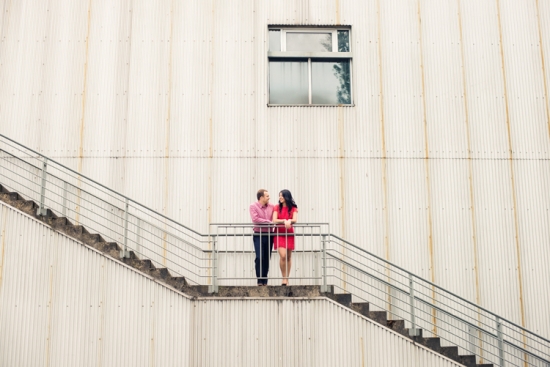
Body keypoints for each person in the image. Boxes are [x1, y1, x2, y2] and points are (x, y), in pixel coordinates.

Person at [272, 189, 298, 286]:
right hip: (279, 233)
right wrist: (284, 221)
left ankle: (287, 278)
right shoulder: (276, 207)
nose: (280, 197)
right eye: (279, 196)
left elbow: (295, 219)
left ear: (287, 196)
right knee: (283, 256)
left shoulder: (293, 208)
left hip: (289, 233)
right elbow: (274, 220)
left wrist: (290, 221)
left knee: (288, 257)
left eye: (282, 196)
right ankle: (283, 278)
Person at [249, 189, 274, 286]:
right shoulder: (253, 206)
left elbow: (277, 216)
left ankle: (265, 280)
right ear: (261, 198)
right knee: (259, 257)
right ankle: (260, 279)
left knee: (267, 258)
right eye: (267, 196)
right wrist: (269, 222)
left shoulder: (272, 206)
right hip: (258, 234)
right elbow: (255, 219)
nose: (269, 198)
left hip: (269, 235)